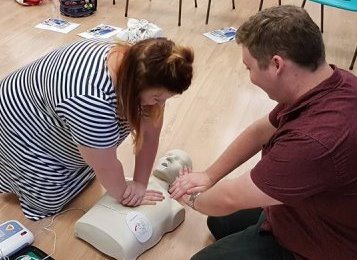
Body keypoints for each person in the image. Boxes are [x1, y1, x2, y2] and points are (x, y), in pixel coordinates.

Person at [170, 5, 357, 260]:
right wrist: (208, 175)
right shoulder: (329, 82)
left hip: (320, 244)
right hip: (304, 202)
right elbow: (262, 130)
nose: (250, 77)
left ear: (276, 64)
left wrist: (184, 195)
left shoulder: (314, 141)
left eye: (249, 68)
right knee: (219, 221)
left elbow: (229, 198)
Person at [0, 37, 194, 221]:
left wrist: (140, 183)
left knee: (92, 165)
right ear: (137, 83)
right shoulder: (90, 100)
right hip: (16, 124)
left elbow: (150, 133)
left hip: (49, 105)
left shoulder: (140, 63)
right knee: (51, 201)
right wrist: (125, 194)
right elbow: (105, 166)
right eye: (157, 98)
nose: (160, 104)